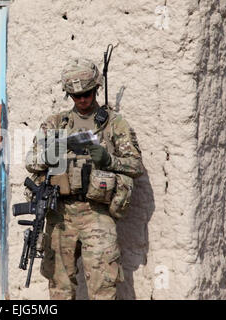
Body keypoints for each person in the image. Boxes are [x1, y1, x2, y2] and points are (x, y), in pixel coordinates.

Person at [24, 58, 144, 300]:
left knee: (103, 287)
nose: (82, 99)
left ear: (96, 88)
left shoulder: (114, 124)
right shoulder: (56, 123)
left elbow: (136, 165)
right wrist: (48, 156)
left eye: (87, 93)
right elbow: (30, 161)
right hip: (60, 214)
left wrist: (110, 160)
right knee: (60, 288)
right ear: (69, 95)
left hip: (96, 213)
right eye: (75, 95)